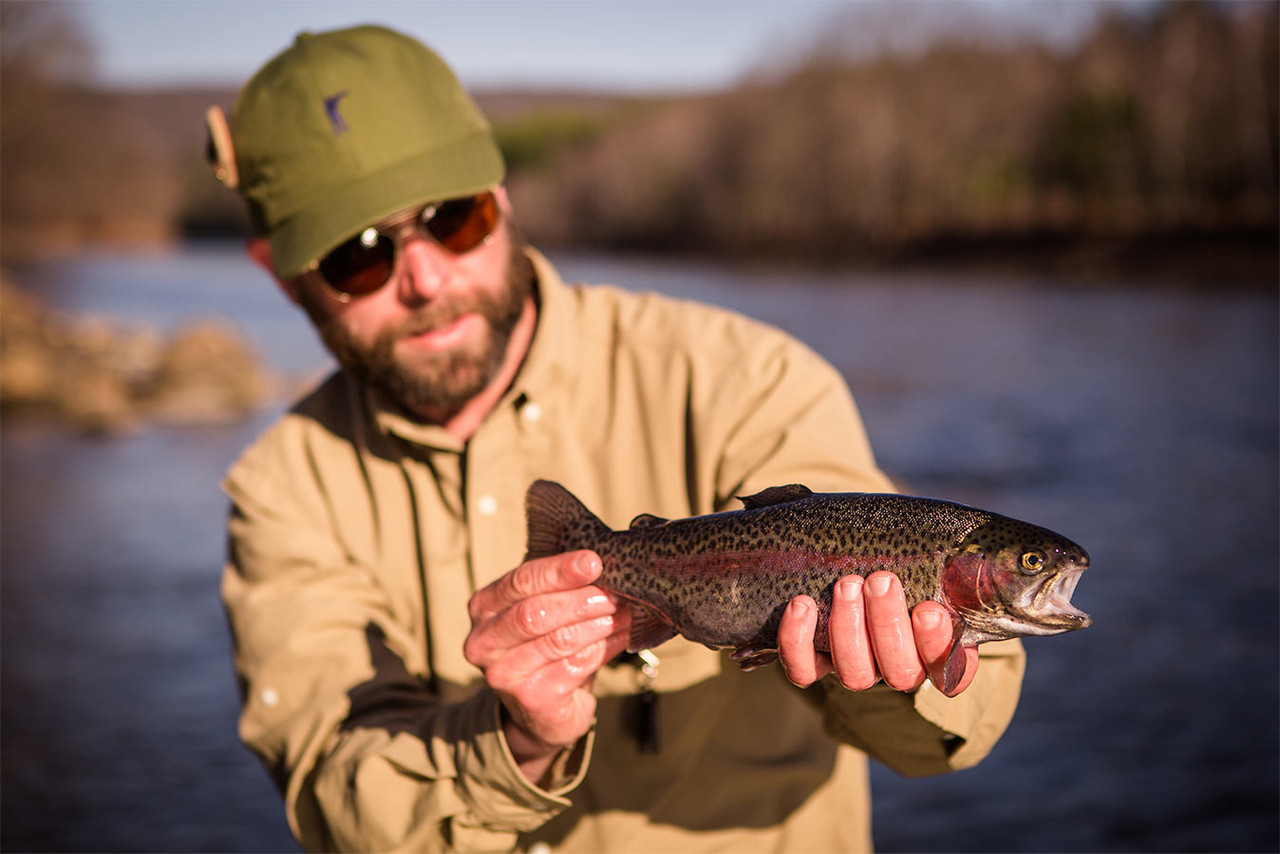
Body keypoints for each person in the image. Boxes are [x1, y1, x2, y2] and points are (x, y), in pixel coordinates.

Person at [212, 25, 1026, 853]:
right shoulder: (282, 492)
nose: (425, 279)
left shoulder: (746, 378)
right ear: (282, 277)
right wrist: (516, 745)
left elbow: (949, 737)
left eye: (453, 219)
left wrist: (903, 669)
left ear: (504, 199)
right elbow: (334, 805)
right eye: (359, 255)